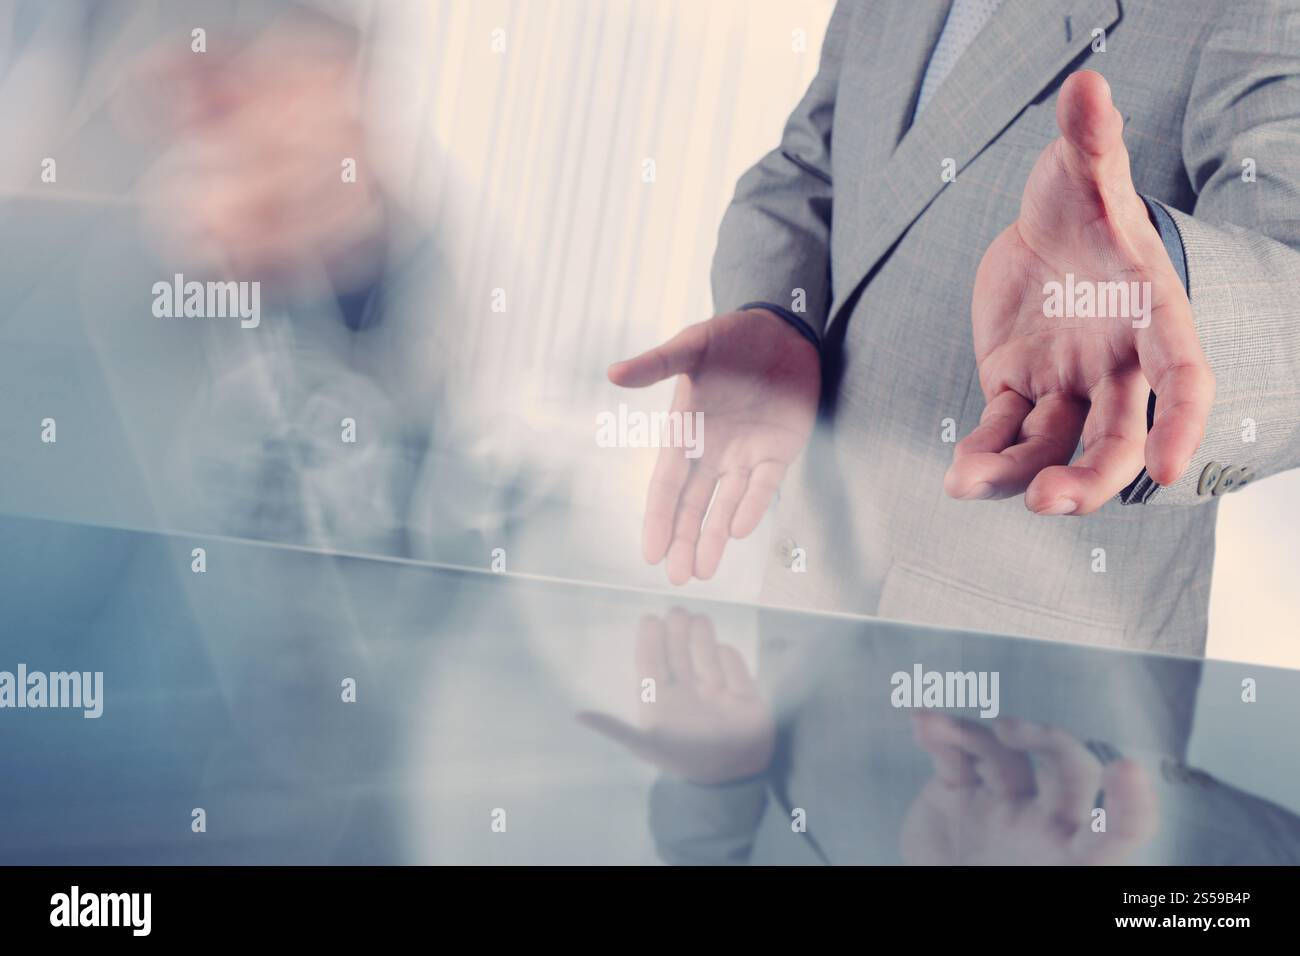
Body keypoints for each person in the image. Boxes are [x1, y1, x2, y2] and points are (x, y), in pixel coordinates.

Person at [609, 0, 1300, 654]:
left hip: (1039, 699)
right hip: (807, 605)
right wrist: (776, 310)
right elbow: (811, 165)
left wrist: (1166, 309)